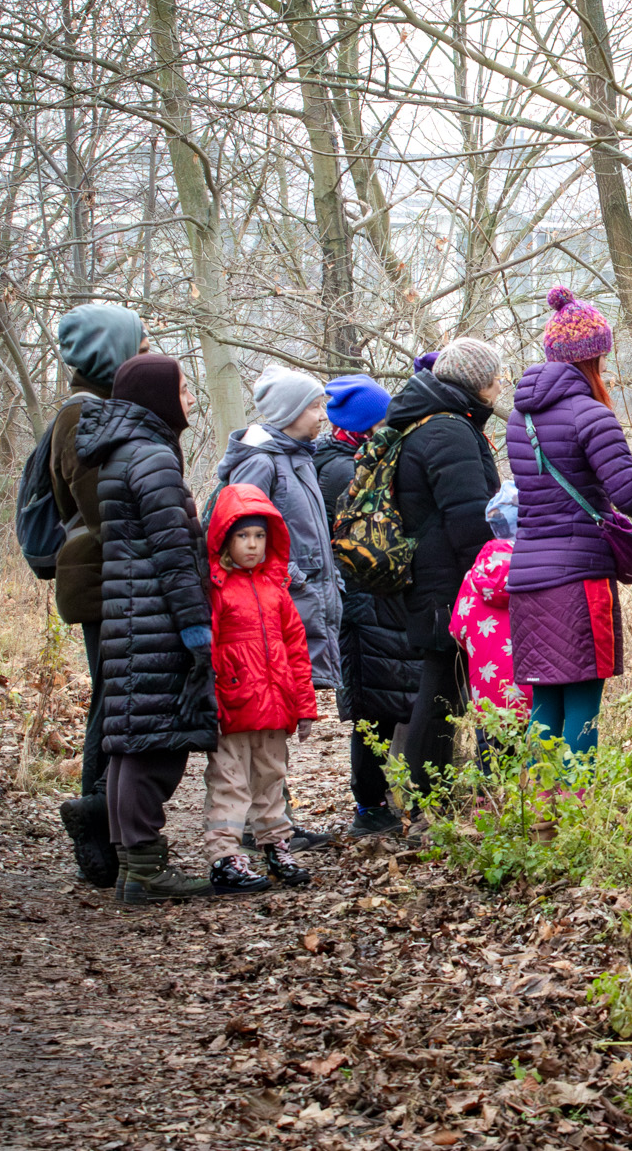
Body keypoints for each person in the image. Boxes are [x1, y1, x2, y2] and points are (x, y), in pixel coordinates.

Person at [75, 353, 216, 903]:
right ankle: (144, 869)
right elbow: (174, 555)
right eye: (182, 389)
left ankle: (136, 867)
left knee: (133, 742)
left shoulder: (125, 450)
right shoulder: (152, 456)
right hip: (156, 618)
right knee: (153, 746)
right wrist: (196, 630)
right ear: (157, 396)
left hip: (133, 618)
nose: (190, 399)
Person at [507, 287, 632, 757]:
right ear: (594, 357)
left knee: (544, 705)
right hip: (580, 579)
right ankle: (578, 802)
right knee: (584, 703)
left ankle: (540, 800)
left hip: (528, 579)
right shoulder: (591, 415)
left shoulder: (520, 417)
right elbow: (629, 494)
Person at [49, 302, 148, 888]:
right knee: (113, 705)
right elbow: (103, 508)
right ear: (110, 350)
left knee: (114, 701)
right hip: (104, 582)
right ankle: (97, 824)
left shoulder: (95, 409)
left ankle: (107, 826)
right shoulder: (85, 415)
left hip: (107, 579)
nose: (145, 354)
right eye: (138, 346)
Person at [385, 338, 505, 792]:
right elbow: (469, 516)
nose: (501, 385)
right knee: (441, 690)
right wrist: (489, 580)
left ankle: (428, 794)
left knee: (443, 688)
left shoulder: (436, 421)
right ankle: (424, 798)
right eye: (496, 377)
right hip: (447, 582)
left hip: (436, 576)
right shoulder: (448, 430)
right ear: (476, 382)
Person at [312, 373, 425, 837]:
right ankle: (369, 806)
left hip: (371, 600)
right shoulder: (343, 470)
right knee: (372, 708)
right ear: (365, 424)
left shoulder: (345, 459)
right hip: (363, 601)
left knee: (383, 701)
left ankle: (379, 800)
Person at [202, 485, 319, 894]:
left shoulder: (276, 590)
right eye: (242, 536)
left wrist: (304, 706)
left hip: (274, 705)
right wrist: (211, 701)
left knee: (271, 778)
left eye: (259, 536)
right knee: (229, 782)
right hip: (232, 706)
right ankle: (225, 856)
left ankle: (276, 846)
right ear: (224, 539)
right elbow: (208, 649)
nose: (252, 545)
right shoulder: (216, 590)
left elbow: (297, 650)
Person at [217, 365, 341, 688]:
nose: (323, 415)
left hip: (306, 599)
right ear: (290, 412)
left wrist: (331, 578)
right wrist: (294, 579)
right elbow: (241, 540)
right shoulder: (260, 462)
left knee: (296, 694)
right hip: (282, 602)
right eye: (314, 407)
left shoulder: (301, 459)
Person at [449, 484, 531, 729]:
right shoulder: (536, 571)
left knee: (491, 749)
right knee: (537, 748)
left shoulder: (473, 576)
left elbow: (457, 629)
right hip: (535, 696)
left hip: (487, 699)